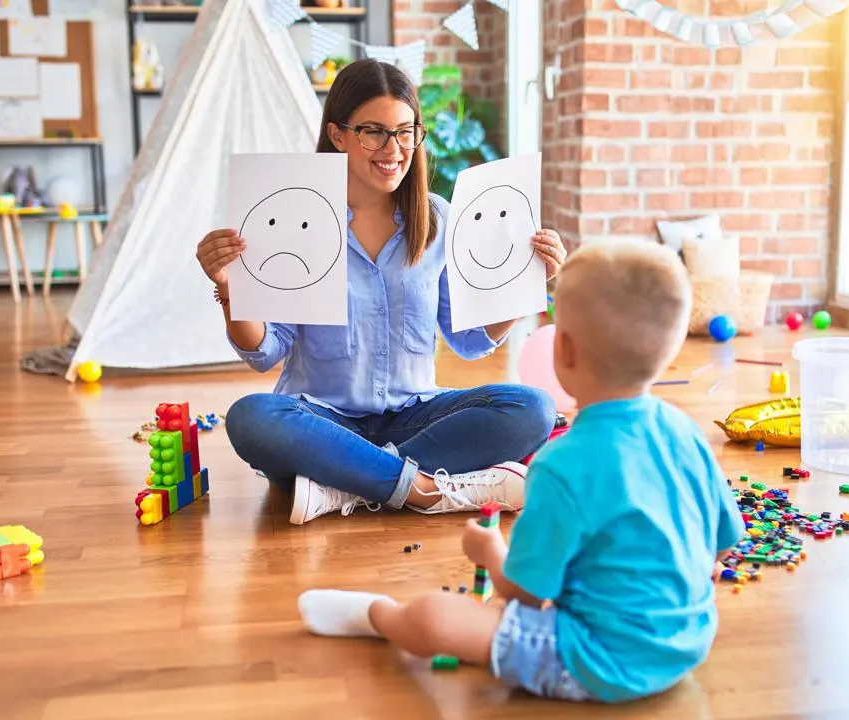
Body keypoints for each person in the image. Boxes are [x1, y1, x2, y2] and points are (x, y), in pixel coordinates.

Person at [295, 241, 745, 703]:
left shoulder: (562, 465)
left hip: (597, 660)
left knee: (436, 618)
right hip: (689, 643)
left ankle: (381, 615)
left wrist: (490, 552)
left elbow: (525, 596)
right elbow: (726, 541)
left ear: (563, 349)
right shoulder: (685, 430)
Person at [195, 59, 566, 525]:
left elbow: (469, 341)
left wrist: (522, 281)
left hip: (414, 414)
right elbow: (265, 352)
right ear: (337, 134)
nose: (394, 148)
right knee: (251, 417)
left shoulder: (437, 220)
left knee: (532, 408)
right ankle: (421, 488)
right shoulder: (297, 217)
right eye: (374, 131)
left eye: (406, 131)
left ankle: (343, 485)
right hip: (321, 421)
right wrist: (229, 289)